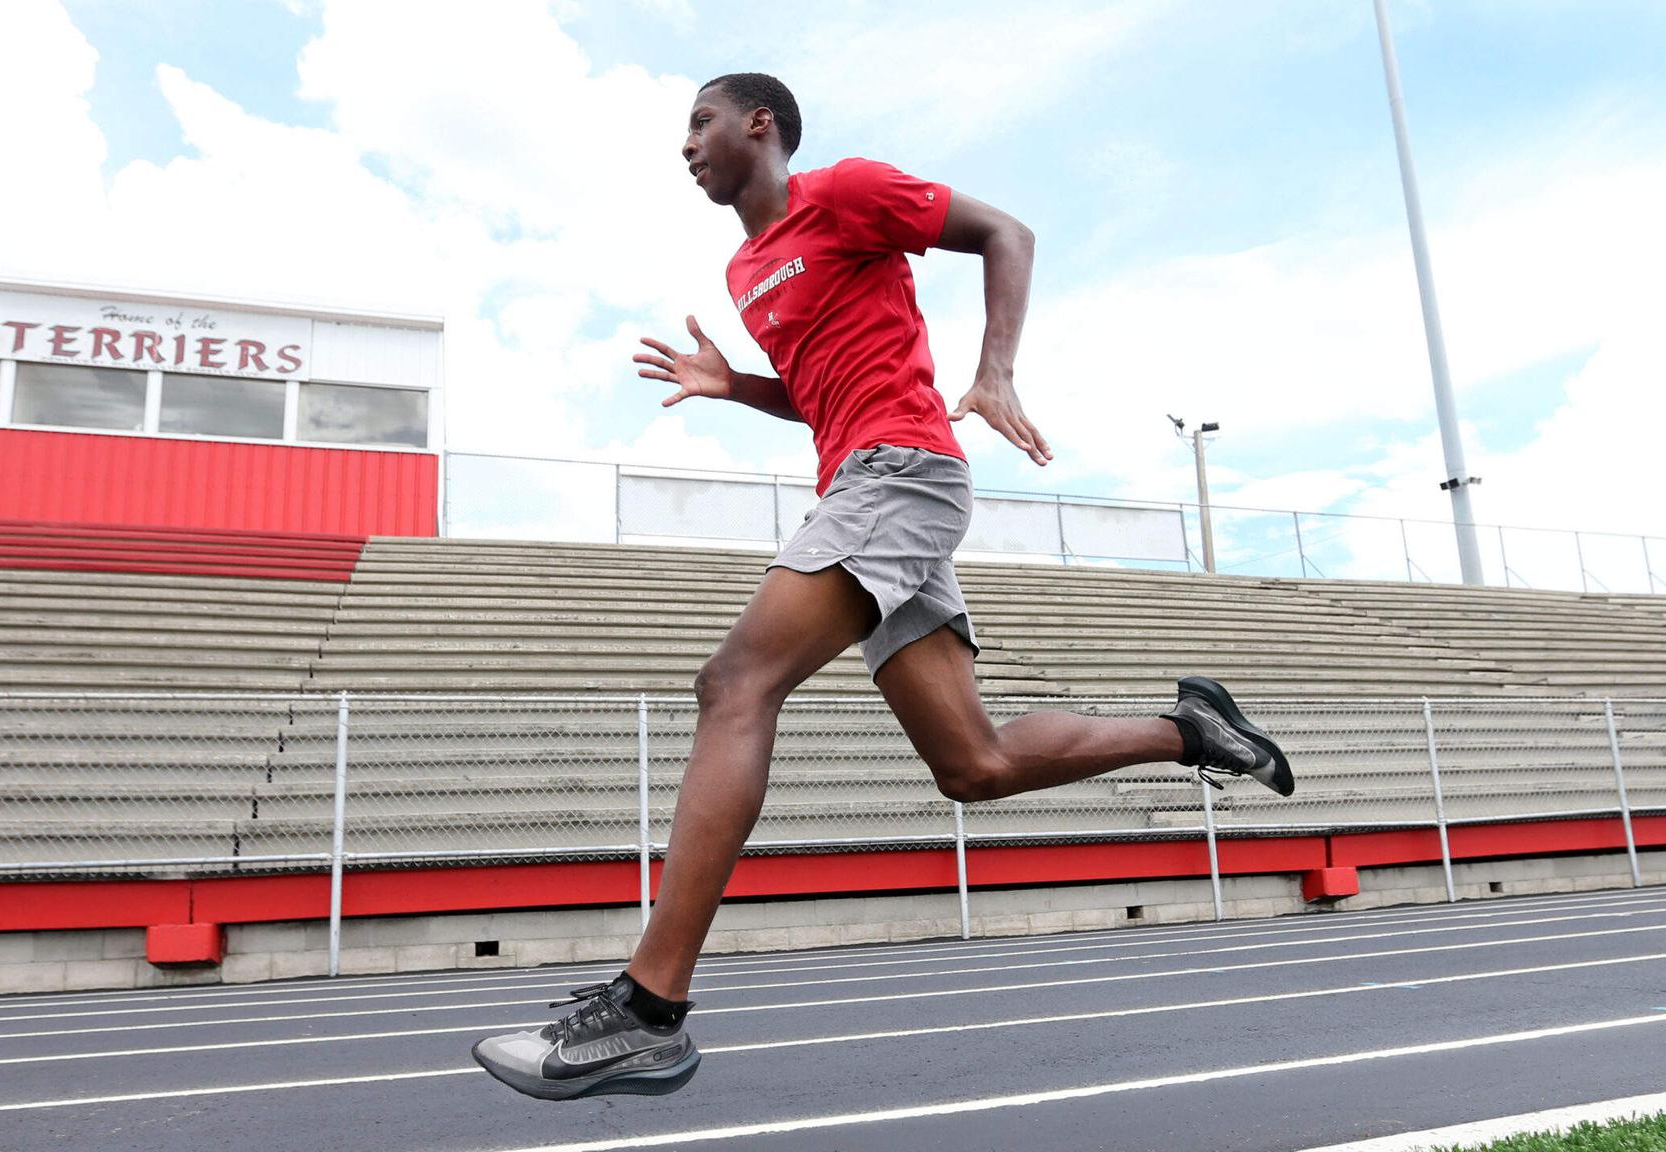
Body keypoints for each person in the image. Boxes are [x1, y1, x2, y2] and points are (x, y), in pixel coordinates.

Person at [473, 73, 1293, 1102]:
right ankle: (1187, 728)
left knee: (732, 686)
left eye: (698, 123)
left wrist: (992, 373)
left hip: (898, 476)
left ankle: (647, 1013)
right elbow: (823, 393)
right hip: (865, 484)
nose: (684, 145)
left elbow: (1006, 232)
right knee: (973, 765)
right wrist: (737, 387)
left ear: (756, 124)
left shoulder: (845, 192)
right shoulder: (745, 267)